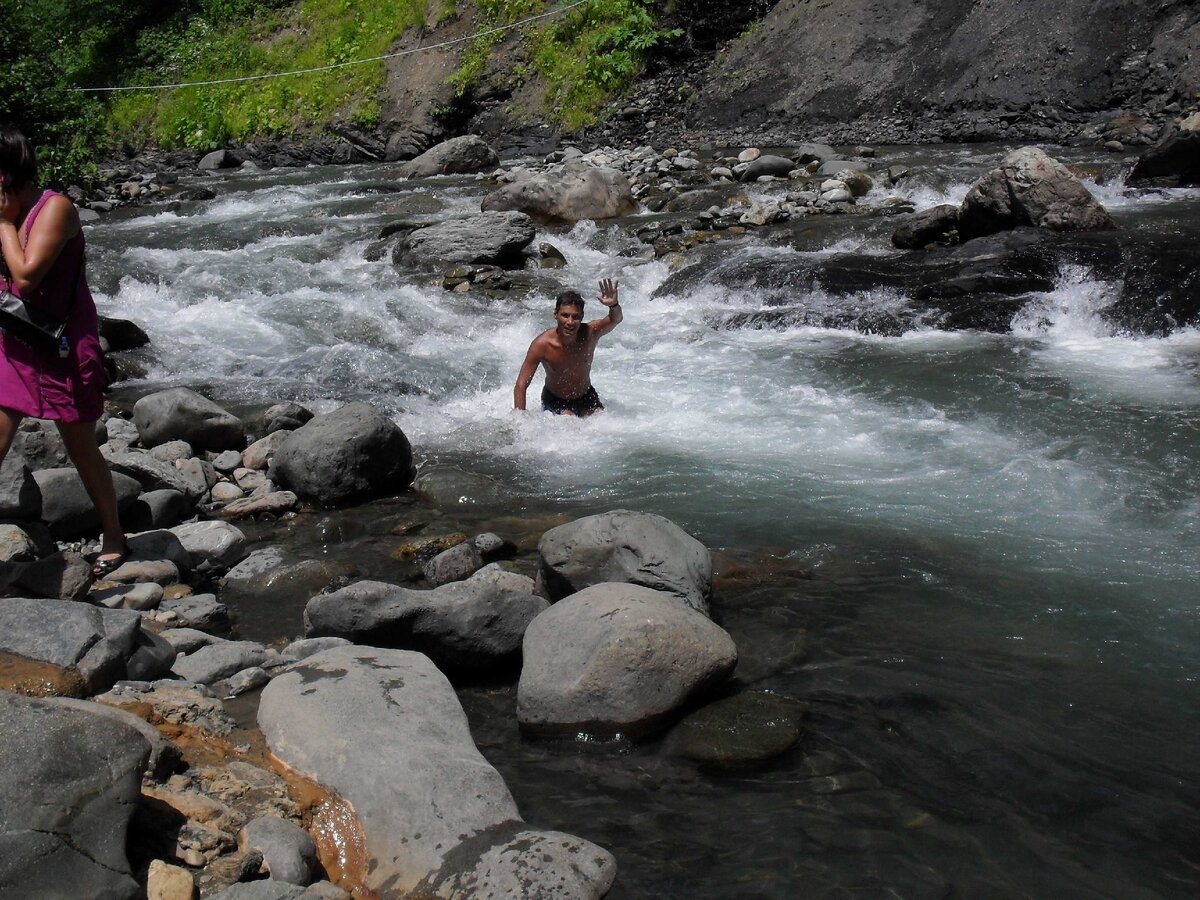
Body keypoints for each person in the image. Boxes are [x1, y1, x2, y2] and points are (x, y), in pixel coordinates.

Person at [0, 126, 127, 577]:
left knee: (80, 446)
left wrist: (2, 224)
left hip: (61, 347)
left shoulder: (53, 208)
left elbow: (27, 277)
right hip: (12, 343)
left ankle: (114, 534)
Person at [514, 278, 622, 416]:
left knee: (604, 424)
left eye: (575, 317)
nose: (570, 322)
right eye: (565, 315)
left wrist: (614, 305)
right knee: (568, 422)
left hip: (586, 395)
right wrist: (521, 420)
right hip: (555, 399)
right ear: (556, 315)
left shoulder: (590, 333)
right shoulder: (542, 344)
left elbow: (616, 319)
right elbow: (521, 385)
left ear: (582, 317)